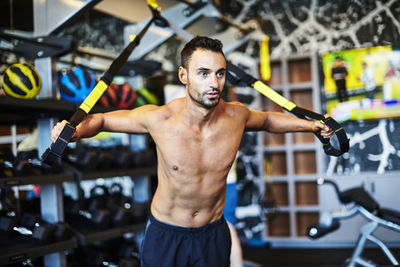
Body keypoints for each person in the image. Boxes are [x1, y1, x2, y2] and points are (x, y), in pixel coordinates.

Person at [52, 36, 334, 267]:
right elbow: (102, 119)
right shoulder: (159, 119)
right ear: (183, 75)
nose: (214, 83)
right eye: (203, 73)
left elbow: (270, 120)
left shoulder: (237, 117)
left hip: (212, 233)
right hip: (167, 235)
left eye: (220, 74)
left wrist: (309, 125)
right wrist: (74, 131)